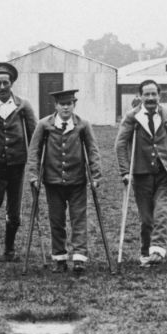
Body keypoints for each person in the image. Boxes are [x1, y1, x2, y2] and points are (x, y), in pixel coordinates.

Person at [115, 79, 167, 267]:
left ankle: (157, 248)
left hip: (165, 173)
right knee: (147, 218)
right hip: (141, 174)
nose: (150, 98)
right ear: (139, 96)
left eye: (153, 94)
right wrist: (125, 171)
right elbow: (120, 144)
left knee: (162, 211)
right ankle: (146, 251)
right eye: (146, 94)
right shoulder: (132, 116)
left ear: (159, 95)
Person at [27, 89, 101, 274]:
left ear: (74, 105)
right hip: (53, 181)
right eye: (62, 104)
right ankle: (59, 258)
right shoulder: (45, 124)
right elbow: (34, 151)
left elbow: (93, 150)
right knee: (56, 220)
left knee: (78, 219)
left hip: (77, 181)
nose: (66, 107)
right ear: (56, 106)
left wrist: (96, 175)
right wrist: (33, 175)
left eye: (69, 103)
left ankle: (79, 258)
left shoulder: (83, 125)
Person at [0, 62, 37, 261]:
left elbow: (34, 135)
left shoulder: (23, 105)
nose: (2, 87)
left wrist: (35, 163)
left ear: (11, 83)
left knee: (14, 210)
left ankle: (9, 249)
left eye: (6, 83)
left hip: (16, 164)